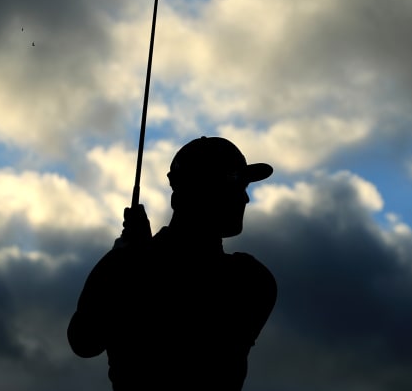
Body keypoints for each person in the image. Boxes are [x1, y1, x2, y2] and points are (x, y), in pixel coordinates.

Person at [68, 137, 277, 390]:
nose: (245, 199)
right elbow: (85, 341)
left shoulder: (250, 280)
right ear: (198, 191)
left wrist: (132, 260)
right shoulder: (132, 264)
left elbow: (195, 336)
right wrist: (128, 259)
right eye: (234, 183)